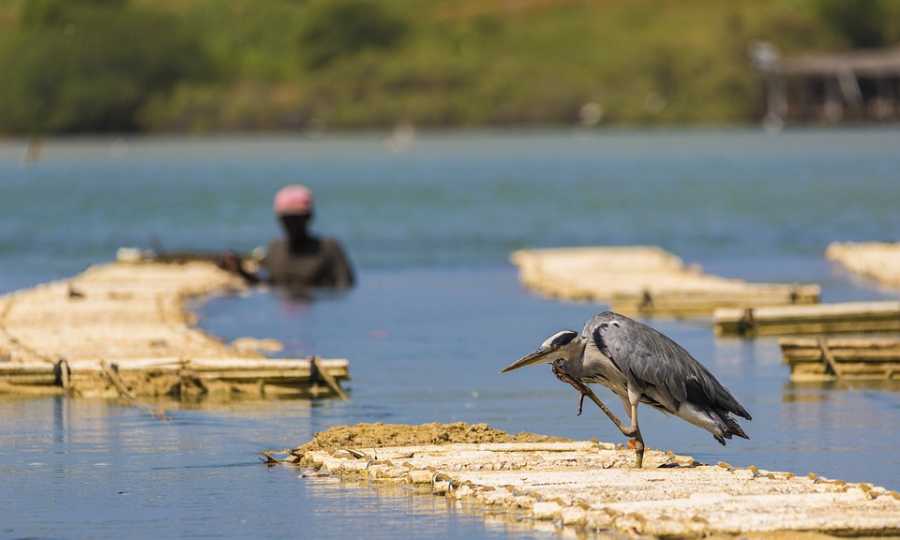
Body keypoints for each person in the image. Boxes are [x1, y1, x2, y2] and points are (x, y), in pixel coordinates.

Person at [224, 185, 355, 289]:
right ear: (280, 220)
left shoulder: (329, 248)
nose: (293, 225)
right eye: (288, 220)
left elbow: (345, 287)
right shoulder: (275, 248)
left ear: (308, 217)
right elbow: (269, 285)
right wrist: (240, 270)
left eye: (297, 219)